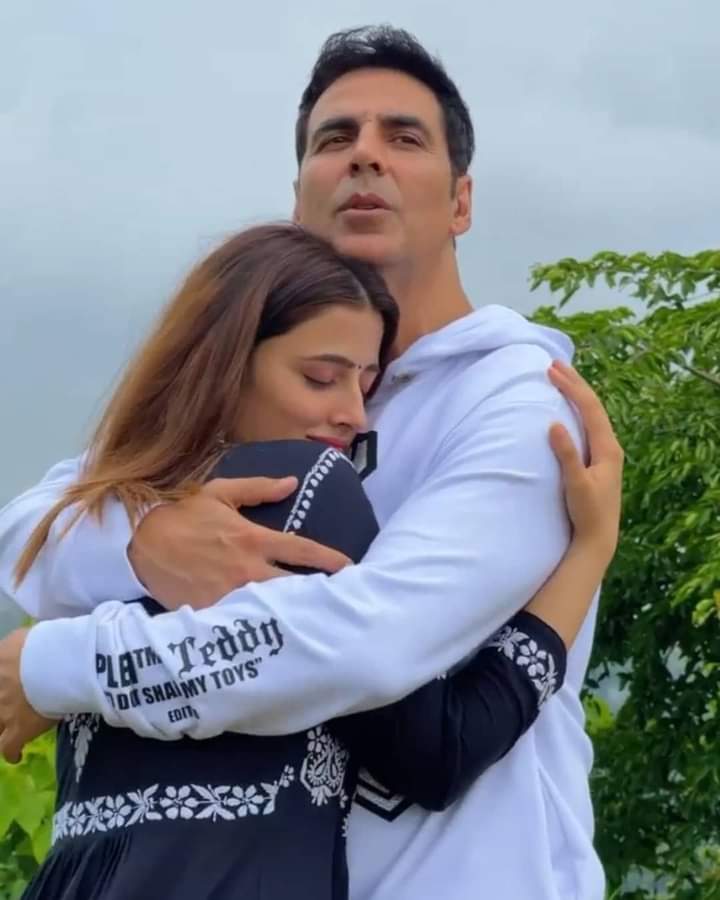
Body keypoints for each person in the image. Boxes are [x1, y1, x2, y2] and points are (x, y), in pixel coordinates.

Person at [0, 25, 623, 900]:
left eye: (404, 137)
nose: (365, 154)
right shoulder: (248, 396)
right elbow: (32, 528)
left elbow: (368, 645)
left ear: (461, 202)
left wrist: (59, 669)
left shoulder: (516, 400)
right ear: (299, 200)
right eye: (335, 138)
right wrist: (146, 541)